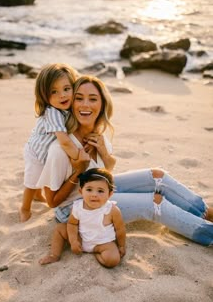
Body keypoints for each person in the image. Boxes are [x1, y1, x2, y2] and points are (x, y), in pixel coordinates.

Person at [36, 75, 213, 259]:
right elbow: (52, 202)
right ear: (71, 103)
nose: (85, 105)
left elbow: (107, 171)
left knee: (157, 176)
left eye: (93, 99)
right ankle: (209, 233)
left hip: (97, 189)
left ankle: (205, 212)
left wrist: (104, 152)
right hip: (73, 209)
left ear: (102, 104)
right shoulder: (59, 149)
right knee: (154, 203)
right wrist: (79, 170)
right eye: (79, 98)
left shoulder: (98, 137)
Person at [20, 63, 80, 222]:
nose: (62, 95)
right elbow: (64, 142)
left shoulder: (66, 109)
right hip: (35, 152)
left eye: (67, 89)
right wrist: (78, 157)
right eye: (54, 92)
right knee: (32, 181)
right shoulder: (52, 112)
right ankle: (25, 208)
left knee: (40, 177)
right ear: (44, 95)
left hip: (44, 150)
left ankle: (39, 195)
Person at [39, 168, 126, 267]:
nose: (94, 195)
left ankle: (97, 255)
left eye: (100, 191)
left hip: (102, 243)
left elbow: (120, 230)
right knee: (60, 228)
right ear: (81, 191)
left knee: (113, 260)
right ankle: (54, 255)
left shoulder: (112, 210)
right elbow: (72, 224)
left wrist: (121, 246)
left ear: (110, 194)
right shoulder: (77, 207)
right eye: (89, 190)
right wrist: (73, 241)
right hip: (81, 240)